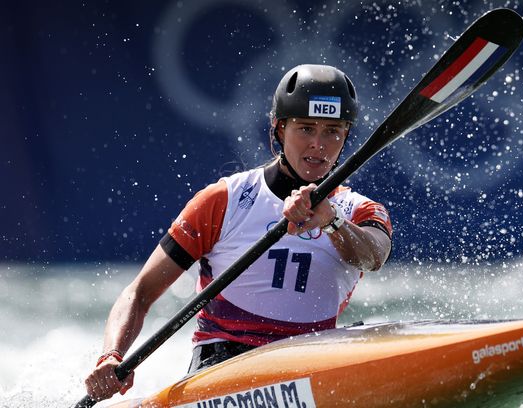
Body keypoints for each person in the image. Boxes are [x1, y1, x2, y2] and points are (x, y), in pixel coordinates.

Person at [84, 64, 393, 401]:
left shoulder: (357, 211)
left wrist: (331, 221)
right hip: (223, 369)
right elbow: (140, 293)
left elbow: (374, 256)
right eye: (305, 128)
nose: (318, 145)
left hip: (312, 369)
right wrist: (111, 355)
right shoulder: (224, 201)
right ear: (280, 128)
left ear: (346, 135)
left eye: (332, 131)